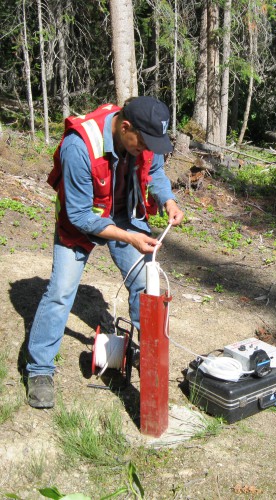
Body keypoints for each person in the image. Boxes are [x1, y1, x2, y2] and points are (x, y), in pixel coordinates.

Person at [26, 96, 184, 409]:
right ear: (126, 127)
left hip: (125, 215)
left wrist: (168, 201)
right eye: (143, 142)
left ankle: (147, 356)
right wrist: (128, 237)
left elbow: (156, 172)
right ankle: (39, 371)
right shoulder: (79, 146)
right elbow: (80, 215)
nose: (147, 148)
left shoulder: (144, 136)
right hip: (81, 221)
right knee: (61, 292)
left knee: (145, 284)